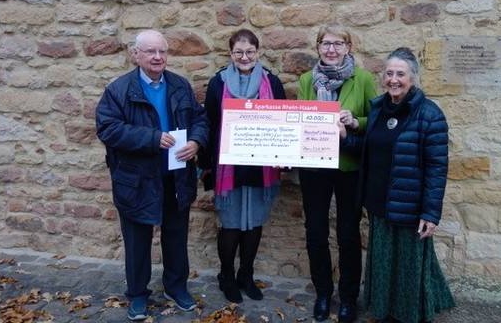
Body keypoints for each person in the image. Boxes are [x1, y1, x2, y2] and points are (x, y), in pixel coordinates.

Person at [95, 29, 208, 321]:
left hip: (175, 177)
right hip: (136, 180)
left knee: (176, 237)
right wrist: (151, 138)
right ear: (136, 55)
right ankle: (137, 295)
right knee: (136, 242)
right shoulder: (118, 90)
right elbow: (107, 128)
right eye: (150, 51)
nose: (157, 57)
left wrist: (196, 141)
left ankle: (176, 286)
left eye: (162, 51)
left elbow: (199, 118)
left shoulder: (180, 85)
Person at [339, 47, 456, 323]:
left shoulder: (430, 115)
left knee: (408, 269)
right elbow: (369, 149)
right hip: (378, 203)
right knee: (383, 265)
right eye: (389, 73)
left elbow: (437, 167)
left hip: (410, 207)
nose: (394, 79)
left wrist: (430, 212)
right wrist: (345, 138)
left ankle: (410, 315)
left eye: (400, 74)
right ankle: (385, 312)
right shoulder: (378, 108)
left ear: (413, 78)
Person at [198, 29, 287, 303]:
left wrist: (286, 154)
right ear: (231, 54)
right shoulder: (218, 83)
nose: (244, 57)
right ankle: (226, 276)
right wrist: (206, 165)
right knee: (231, 224)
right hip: (229, 166)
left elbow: (285, 121)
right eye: (239, 52)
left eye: (249, 52)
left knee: (254, 223)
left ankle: (245, 275)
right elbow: (210, 124)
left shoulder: (272, 82)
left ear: (257, 52)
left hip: (261, 165)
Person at [297, 24, 378, 322]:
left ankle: (347, 297)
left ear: (348, 47)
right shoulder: (306, 80)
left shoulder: (364, 79)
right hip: (315, 167)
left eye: (338, 43)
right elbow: (299, 120)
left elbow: (377, 120)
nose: (331, 49)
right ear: (317, 47)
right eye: (325, 43)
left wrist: (355, 121)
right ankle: (322, 293)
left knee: (347, 233)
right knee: (315, 231)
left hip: (349, 168)